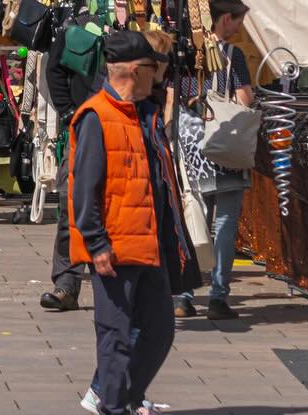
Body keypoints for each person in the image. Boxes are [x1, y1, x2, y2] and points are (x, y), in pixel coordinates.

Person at [69, 29, 196, 415]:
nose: (157, 76)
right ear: (133, 71)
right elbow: (84, 189)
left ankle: (129, 396)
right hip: (114, 247)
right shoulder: (97, 116)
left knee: (158, 330)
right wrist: (96, 244)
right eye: (152, 69)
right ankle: (112, 405)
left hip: (149, 242)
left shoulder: (144, 114)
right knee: (116, 335)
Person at [175, 0, 255, 322]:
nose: (239, 28)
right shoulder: (231, 55)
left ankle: (184, 294)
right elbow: (244, 99)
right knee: (225, 221)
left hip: (192, 143)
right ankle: (218, 297)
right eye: (238, 21)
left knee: (195, 216)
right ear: (225, 19)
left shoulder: (185, 51)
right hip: (225, 143)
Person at [40, 15, 105, 312]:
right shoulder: (76, 22)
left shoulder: (140, 15)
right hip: (82, 129)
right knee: (70, 204)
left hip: (123, 128)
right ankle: (66, 283)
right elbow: (53, 70)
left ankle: (114, 285)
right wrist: (67, 112)